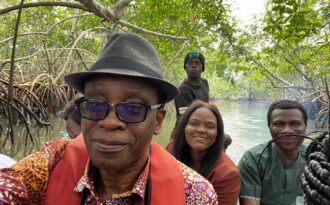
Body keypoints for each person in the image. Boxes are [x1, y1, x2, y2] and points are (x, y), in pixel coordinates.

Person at [0, 32, 218, 204]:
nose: (110, 122)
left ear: (158, 121)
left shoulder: (194, 195)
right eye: (95, 105)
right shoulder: (49, 165)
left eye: (133, 108)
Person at [169, 100, 240, 205]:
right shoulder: (171, 149)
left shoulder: (227, 174)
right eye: (194, 123)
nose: (201, 130)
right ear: (184, 128)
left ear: (217, 134)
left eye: (210, 126)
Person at [238, 99, 308, 205]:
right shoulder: (252, 160)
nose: (287, 130)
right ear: (269, 127)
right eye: (278, 124)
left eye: (295, 124)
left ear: (305, 126)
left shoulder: (315, 158)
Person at [174, 50, 209, 117]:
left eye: (197, 63)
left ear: (202, 68)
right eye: (190, 63)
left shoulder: (205, 83)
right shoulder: (182, 90)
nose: (193, 66)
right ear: (185, 67)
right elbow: (184, 120)